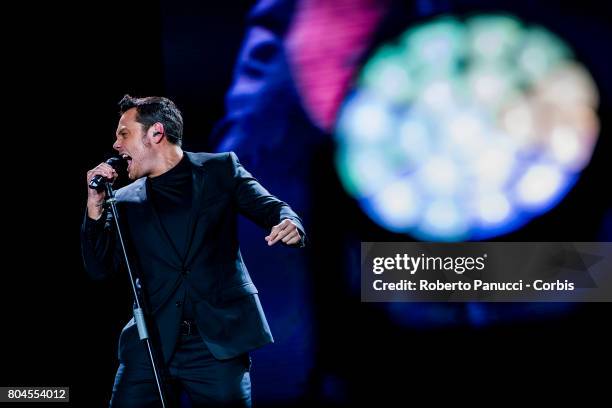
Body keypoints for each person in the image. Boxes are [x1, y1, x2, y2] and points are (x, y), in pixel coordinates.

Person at [81, 95, 306, 407]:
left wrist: (289, 223)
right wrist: (95, 207)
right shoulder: (123, 199)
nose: (116, 145)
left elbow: (273, 208)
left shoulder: (220, 170)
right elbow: (99, 267)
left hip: (216, 344)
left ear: (155, 133)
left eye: (123, 133)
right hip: (151, 346)